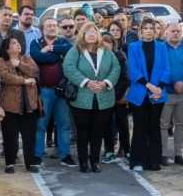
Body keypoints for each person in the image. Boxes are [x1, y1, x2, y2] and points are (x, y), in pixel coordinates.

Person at [63, 22, 120, 173]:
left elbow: (116, 68)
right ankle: (83, 162)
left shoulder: (106, 51)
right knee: (82, 132)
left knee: (97, 132)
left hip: (103, 98)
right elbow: (68, 67)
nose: (91, 34)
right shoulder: (76, 50)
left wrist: (105, 83)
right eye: (87, 32)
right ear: (82, 34)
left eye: (94, 31)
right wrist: (87, 82)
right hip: (81, 99)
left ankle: (95, 161)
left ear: (98, 35)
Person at [29, 16, 76, 167]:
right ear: (42, 29)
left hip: (61, 91)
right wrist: (56, 56)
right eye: (49, 25)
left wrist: (51, 49)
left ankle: (65, 155)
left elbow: (69, 50)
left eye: (55, 25)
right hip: (43, 91)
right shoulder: (35, 43)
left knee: (64, 124)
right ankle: (37, 155)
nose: (52, 28)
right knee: (40, 125)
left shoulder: (63, 42)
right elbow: (37, 57)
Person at [127, 17, 170, 172]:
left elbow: (166, 69)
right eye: (145, 28)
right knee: (140, 128)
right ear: (141, 30)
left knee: (154, 127)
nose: (149, 31)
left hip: (158, 94)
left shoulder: (162, 47)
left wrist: (159, 87)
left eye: (152, 28)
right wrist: (149, 85)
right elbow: (133, 70)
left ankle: (154, 161)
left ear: (155, 30)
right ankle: (138, 161)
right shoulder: (133, 47)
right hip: (140, 93)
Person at [0, 36, 41, 173]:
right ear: (7, 48)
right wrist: (25, 81)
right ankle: (10, 163)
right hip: (10, 105)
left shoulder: (26, 58)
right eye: (14, 43)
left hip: (29, 103)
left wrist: (19, 64)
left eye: (18, 42)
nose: (18, 45)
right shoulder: (1, 61)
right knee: (10, 136)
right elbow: (5, 77)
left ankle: (31, 163)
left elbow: (35, 71)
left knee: (29, 135)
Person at [160, 23, 183, 166]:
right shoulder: (161, 49)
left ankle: (179, 154)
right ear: (166, 32)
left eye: (178, 31)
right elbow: (159, 69)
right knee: (163, 125)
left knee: (180, 124)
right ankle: (163, 154)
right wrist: (173, 83)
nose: (175, 33)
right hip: (166, 92)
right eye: (173, 31)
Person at [101, 32, 130, 163]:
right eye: (103, 43)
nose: (106, 45)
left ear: (113, 44)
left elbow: (125, 78)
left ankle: (127, 150)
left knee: (122, 124)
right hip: (104, 97)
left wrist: (115, 95)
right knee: (106, 125)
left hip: (119, 97)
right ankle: (109, 151)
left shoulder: (120, 56)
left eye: (109, 42)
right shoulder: (98, 58)